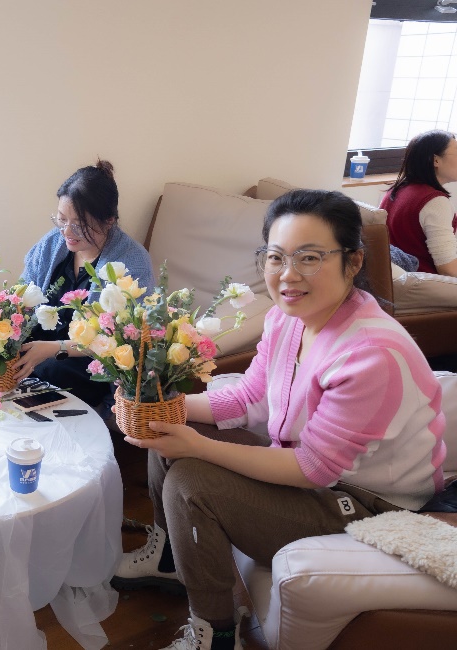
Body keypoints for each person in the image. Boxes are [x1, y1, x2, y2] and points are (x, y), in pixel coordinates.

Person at [112, 189, 446, 650]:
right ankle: (170, 556)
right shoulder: (288, 319)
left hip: (366, 501)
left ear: (352, 261)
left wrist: (198, 447)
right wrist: (158, 406)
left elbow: (313, 469)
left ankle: (216, 633)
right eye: (276, 257)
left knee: (190, 481)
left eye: (309, 257)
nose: (288, 274)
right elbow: (249, 397)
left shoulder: (371, 353)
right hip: (310, 469)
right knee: (166, 427)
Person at [16, 160, 154, 408]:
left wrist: (54, 349)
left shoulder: (132, 262)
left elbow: (120, 338)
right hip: (42, 345)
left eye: (79, 225)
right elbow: (22, 294)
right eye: (61, 220)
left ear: (108, 220)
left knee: (50, 373)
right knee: (1, 352)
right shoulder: (53, 244)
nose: (67, 232)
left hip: (90, 360)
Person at [381, 129, 457, 276]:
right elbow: (448, 269)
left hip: (399, 278)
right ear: (436, 160)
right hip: (426, 282)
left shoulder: (396, 190)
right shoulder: (436, 203)